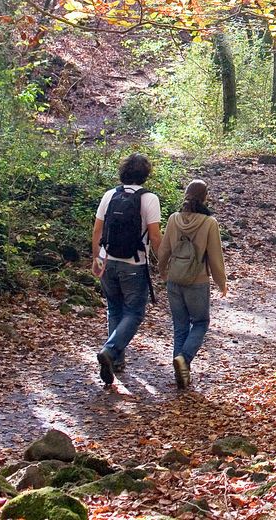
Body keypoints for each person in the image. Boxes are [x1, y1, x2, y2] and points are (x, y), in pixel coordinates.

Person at [91, 152, 161, 385]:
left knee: (114, 308)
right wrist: (163, 261)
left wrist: (97, 259)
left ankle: (117, 360)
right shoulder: (149, 199)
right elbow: (154, 236)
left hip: (108, 259)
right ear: (145, 174)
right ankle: (110, 351)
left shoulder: (110, 195)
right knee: (135, 312)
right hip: (134, 263)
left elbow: (97, 231)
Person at [158, 178, 227, 389]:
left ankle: (181, 372)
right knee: (200, 322)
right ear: (205, 197)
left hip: (174, 279)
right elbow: (215, 257)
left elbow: (164, 250)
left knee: (180, 325)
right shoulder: (209, 223)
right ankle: (184, 359)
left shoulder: (173, 219)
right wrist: (221, 282)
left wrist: (163, 271)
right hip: (197, 281)